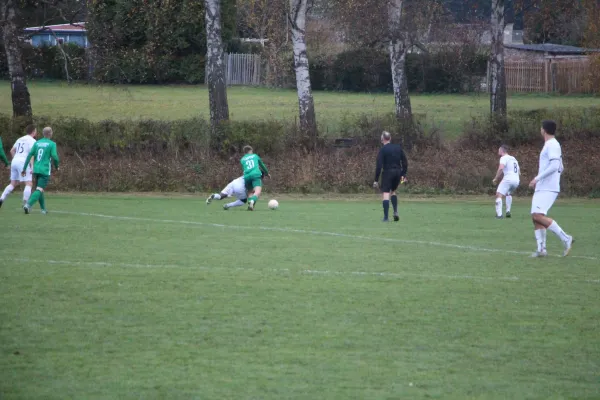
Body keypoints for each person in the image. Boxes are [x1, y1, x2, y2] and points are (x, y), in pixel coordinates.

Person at [528, 120, 573, 257]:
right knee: (536, 217)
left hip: (548, 187)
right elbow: (561, 167)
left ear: (544, 130)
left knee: (537, 215)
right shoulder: (551, 144)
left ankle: (566, 238)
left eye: (541, 128)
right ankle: (541, 249)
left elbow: (555, 166)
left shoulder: (552, 144)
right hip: (544, 186)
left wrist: (537, 178)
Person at [22, 127, 59, 215]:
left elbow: (30, 155)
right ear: (51, 133)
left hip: (36, 169)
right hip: (44, 170)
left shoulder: (37, 143)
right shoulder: (52, 144)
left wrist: (24, 168)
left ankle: (43, 209)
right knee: (39, 189)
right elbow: (54, 156)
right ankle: (28, 205)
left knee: (39, 189)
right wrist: (57, 166)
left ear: (43, 133)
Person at [373, 131, 408, 222]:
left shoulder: (383, 150)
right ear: (390, 138)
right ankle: (395, 212)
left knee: (386, 193)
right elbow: (405, 162)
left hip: (388, 173)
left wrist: (376, 180)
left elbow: (379, 166)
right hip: (398, 173)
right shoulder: (398, 148)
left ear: (382, 139)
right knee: (393, 191)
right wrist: (403, 175)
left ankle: (386, 218)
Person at [0, 125, 37, 208]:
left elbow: (12, 151)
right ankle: (25, 204)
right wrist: (32, 166)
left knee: (13, 183)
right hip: (23, 162)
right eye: (36, 131)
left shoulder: (20, 139)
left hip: (14, 161)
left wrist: (16, 160)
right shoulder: (32, 141)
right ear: (33, 131)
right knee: (29, 183)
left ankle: (1, 198)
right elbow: (31, 154)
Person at [492, 144, 520, 219]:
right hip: (516, 180)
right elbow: (519, 172)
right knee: (508, 193)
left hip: (508, 179)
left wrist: (496, 178)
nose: (498, 151)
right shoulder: (513, 158)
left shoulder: (503, 158)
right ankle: (508, 211)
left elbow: (501, 168)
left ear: (502, 150)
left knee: (498, 194)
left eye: (499, 150)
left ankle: (499, 215)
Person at [240, 145, 270, 211]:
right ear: (250, 151)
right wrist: (267, 173)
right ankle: (252, 200)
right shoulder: (255, 156)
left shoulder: (242, 159)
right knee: (257, 191)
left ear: (244, 152)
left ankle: (251, 206)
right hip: (255, 175)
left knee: (250, 192)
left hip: (246, 176)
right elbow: (262, 165)